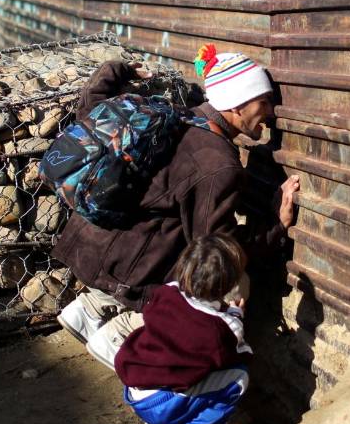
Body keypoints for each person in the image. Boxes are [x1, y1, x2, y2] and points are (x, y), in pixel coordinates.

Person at [54, 44, 300, 367]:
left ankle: (90, 307)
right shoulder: (218, 164)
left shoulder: (173, 116)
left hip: (87, 247)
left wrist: (119, 70)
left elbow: (90, 108)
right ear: (237, 106)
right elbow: (217, 250)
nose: (269, 115)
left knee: (166, 226)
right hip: (125, 267)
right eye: (264, 102)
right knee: (231, 283)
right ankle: (127, 333)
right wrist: (275, 229)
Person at [114, 233, 252, 424]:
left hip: (137, 391)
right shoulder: (223, 329)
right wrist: (237, 316)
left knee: (179, 363)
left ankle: (161, 423)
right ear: (229, 285)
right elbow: (238, 355)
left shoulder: (167, 291)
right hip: (163, 403)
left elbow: (191, 318)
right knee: (238, 377)